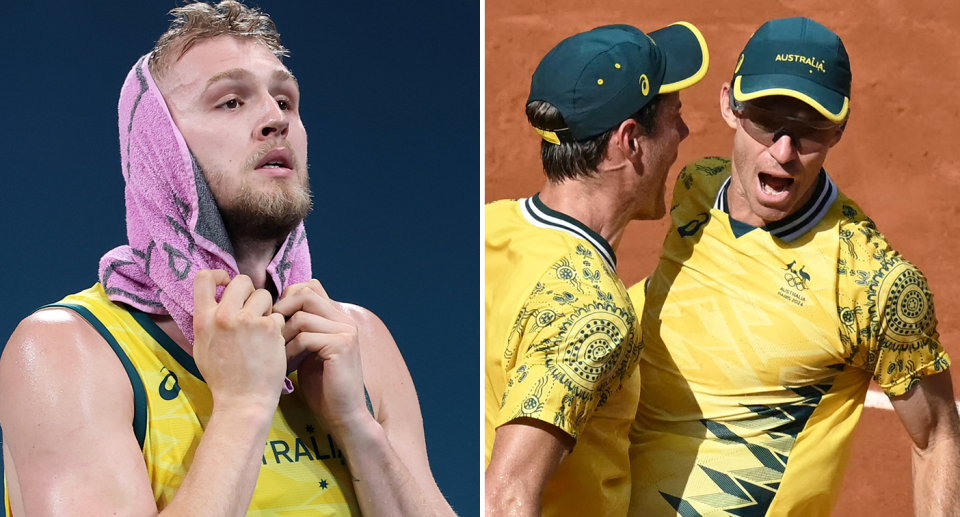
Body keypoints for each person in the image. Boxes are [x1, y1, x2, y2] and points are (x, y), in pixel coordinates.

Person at [0, 2, 456, 516]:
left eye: (285, 99)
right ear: (159, 146)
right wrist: (242, 406)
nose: (274, 119)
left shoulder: (357, 341)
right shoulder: (69, 349)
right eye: (232, 102)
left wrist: (357, 426)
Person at [628, 17, 960, 516]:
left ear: (839, 131)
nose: (784, 152)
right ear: (729, 105)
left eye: (810, 130)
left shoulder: (872, 283)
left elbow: (936, 438)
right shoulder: (696, 188)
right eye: (766, 120)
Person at [484, 22, 709, 516]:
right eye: (675, 116)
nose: (684, 133)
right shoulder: (593, 312)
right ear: (631, 140)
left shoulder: (489, 226)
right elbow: (503, 499)